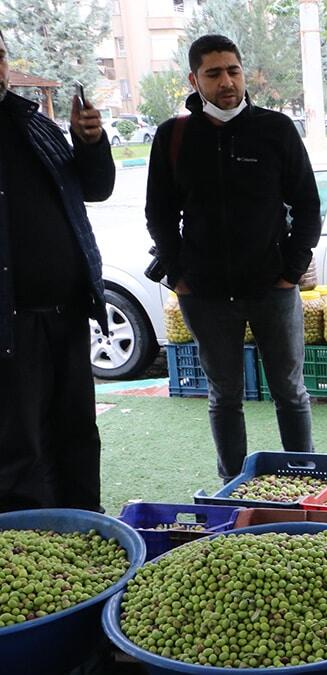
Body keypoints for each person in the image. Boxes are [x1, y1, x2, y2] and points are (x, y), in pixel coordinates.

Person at [145, 34, 321, 481]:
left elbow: (307, 205)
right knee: (224, 395)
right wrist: (179, 276)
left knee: (290, 392)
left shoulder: (275, 129)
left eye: (233, 70)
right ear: (194, 80)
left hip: (272, 288)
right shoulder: (173, 137)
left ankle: (305, 478)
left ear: (243, 73)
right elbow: (159, 214)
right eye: (214, 73)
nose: (226, 82)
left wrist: (290, 271)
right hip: (204, 294)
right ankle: (232, 485)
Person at [0, 29, 114, 512]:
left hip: (66, 313)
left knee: (76, 432)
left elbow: (95, 188)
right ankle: (26, 542)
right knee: (19, 445)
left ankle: (86, 523)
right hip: (10, 324)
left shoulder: (34, 124)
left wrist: (90, 143)